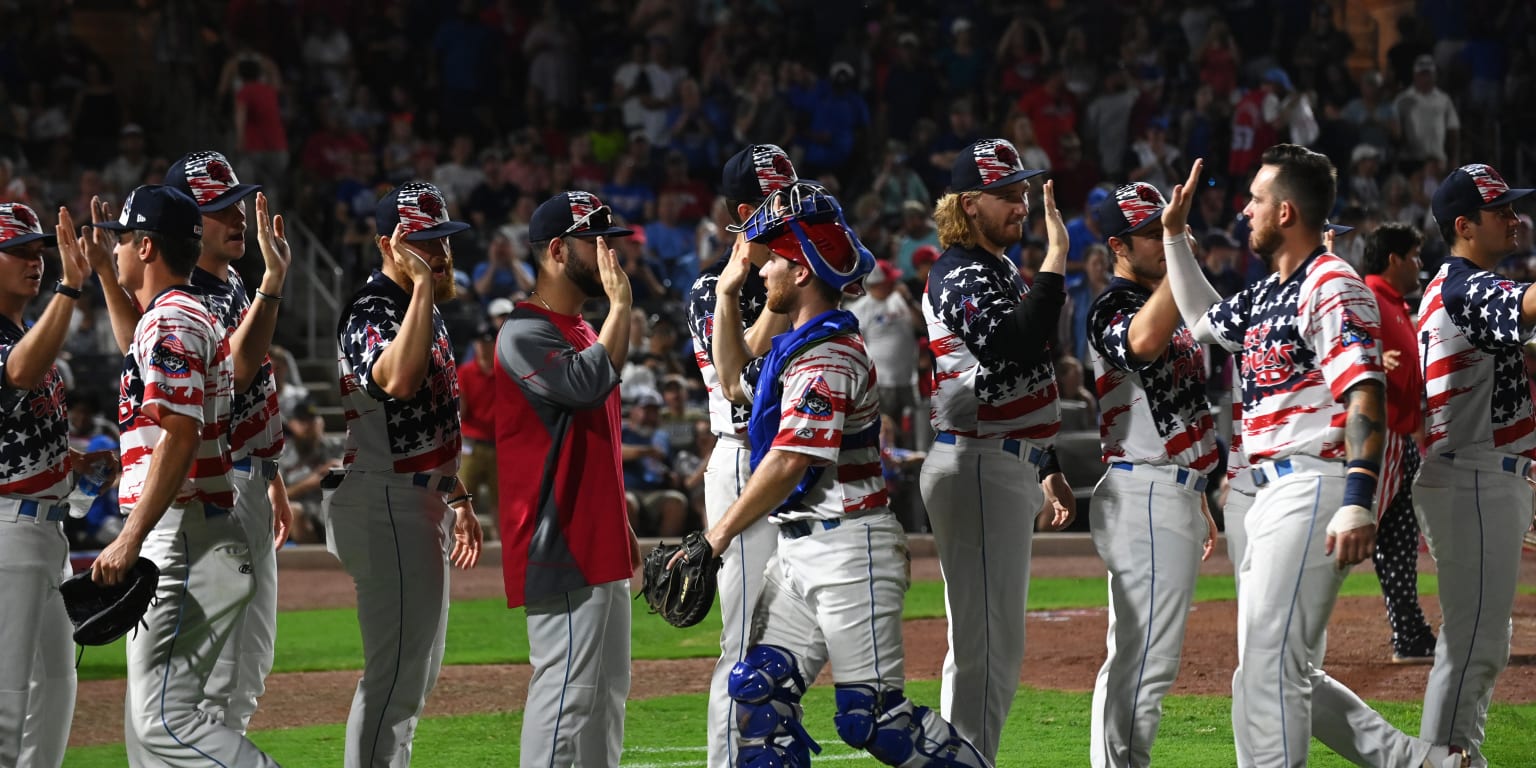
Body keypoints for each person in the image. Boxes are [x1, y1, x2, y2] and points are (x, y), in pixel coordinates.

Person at [1162, 148, 1465, 767]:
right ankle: (1419, 762)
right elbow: (1199, 318)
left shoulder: (1330, 284)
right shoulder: (1271, 289)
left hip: (1313, 482)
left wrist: (1358, 498)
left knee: (1270, 667)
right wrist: (1174, 237)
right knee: (1277, 665)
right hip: (1266, 491)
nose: (1245, 210)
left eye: (1255, 199)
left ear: (1286, 211)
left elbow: (1365, 392)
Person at [695, 184, 989, 767]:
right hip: (800, 549)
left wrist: (716, 536)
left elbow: (789, 460)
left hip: (852, 551)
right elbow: (731, 383)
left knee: (876, 720)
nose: (766, 271)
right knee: (759, 699)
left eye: (776, 261)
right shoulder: (793, 349)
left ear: (803, 273)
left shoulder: (829, 355)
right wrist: (727, 296)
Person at [87, 185, 278, 767]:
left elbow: (181, 433)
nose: (114, 248)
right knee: (152, 729)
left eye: (120, 240)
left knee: (163, 721)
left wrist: (129, 536)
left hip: (183, 532)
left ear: (145, 247)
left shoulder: (169, 319)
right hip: (200, 530)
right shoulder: (182, 314)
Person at [918, 138, 1075, 761]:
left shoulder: (996, 267)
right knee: (987, 646)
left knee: (993, 643)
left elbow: (1027, 374)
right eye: (1007, 195)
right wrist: (1058, 257)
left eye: (1022, 194)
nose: (1021, 206)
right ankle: (966, 759)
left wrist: (1050, 464)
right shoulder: (957, 271)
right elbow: (1013, 344)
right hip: (975, 461)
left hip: (1002, 459)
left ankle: (967, 757)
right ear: (967, 204)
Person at [329, 181, 484, 768]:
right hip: (385, 498)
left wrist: (458, 493)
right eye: (421, 241)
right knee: (394, 680)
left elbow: (430, 422)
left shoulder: (425, 307)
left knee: (411, 679)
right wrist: (420, 286)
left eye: (441, 239)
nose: (438, 254)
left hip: (417, 498)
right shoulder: (373, 307)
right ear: (386, 245)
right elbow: (394, 381)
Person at [496, 190, 638, 767]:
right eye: (596, 241)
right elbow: (583, 386)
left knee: (605, 700)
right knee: (566, 701)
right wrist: (622, 307)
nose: (610, 254)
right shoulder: (523, 332)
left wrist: (622, 524)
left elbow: (597, 440)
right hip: (558, 541)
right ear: (557, 250)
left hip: (596, 536)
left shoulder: (578, 328)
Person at [1085, 183, 1220, 767]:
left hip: (1174, 488)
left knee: (1148, 658)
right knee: (1144, 659)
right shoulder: (1109, 306)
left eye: (1172, 227)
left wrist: (1201, 494)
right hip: (1141, 487)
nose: (1170, 237)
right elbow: (1140, 342)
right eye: (1152, 232)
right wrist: (1178, 255)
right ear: (1117, 245)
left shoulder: (1172, 297)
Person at [157, 150, 292, 735]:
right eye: (218, 209)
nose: (236, 218)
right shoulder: (186, 295)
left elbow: (256, 387)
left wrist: (275, 474)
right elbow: (236, 372)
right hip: (221, 481)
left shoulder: (231, 281)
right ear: (187, 222)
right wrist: (273, 286)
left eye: (236, 203)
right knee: (222, 671)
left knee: (247, 667)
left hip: (251, 475)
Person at [1415, 163, 1536, 765]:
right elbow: (1529, 306)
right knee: (1476, 641)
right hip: (1474, 474)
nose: (1515, 219)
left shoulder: (1455, 285)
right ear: (1464, 225)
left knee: (1477, 637)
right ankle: (1447, 757)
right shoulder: (1465, 286)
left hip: (1474, 472)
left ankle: (1455, 754)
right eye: (1502, 212)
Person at [684, 143, 796, 768]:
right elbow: (741, 371)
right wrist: (768, 288)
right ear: (749, 211)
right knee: (746, 639)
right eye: (780, 198)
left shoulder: (805, 274)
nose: (793, 206)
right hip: (745, 459)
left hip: (800, 461)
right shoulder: (710, 291)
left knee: (796, 639)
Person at [0, 202, 89, 768]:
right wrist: (70, 289)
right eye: (20, 252)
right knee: (9, 697)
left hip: (47, 531)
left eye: (39, 251)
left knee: (56, 687)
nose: (35, 261)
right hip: (9, 530)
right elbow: (18, 375)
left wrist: (77, 464)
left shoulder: (24, 330)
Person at [1359, 222, 1437, 663]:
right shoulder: (1364, 296)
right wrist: (1371, 357)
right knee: (1349, 536)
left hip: (1400, 440)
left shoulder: (1394, 304)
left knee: (1399, 546)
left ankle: (1408, 633)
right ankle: (1291, 627)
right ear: (1393, 259)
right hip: (1375, 438)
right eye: (1413, 256)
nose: (1419, 264)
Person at [847, 259, 923, 449]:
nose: (894, 284)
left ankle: (908, 473)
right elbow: (853, 348)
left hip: (908, 380)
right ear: (875, 284)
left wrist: (909, 300)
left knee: (910, 435)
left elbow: (923, 326)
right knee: (884, 434)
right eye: (888, 281)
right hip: (880, 383)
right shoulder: (859, 309)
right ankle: (888, 474)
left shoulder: (900, 299)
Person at [456, 320, 497, 524]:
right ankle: (459, 545)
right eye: (479, 342)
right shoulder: (465, 373)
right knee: (461, 502)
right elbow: (460, 410)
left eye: (487, 342)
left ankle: (502, 551)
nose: (483, 347)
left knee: (502, 506)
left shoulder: (506, 373)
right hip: (472, 443)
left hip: (499, 446)